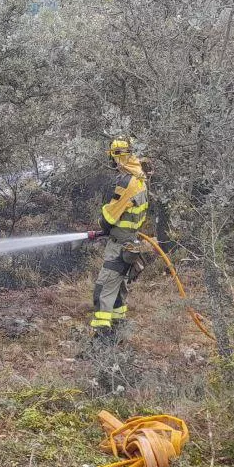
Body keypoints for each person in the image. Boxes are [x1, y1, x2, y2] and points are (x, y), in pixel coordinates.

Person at [86, 138, 150, 341]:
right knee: (118, 289)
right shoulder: (139, 178)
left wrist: (103, 220)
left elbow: (109, 217)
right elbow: (128, 217)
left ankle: (102, 341)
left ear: (117, 156)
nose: (113, 164)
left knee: (103, 289)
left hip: (119, 247)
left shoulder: (126, 182)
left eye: (113, 158)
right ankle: (119, 332)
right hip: (129, 243)